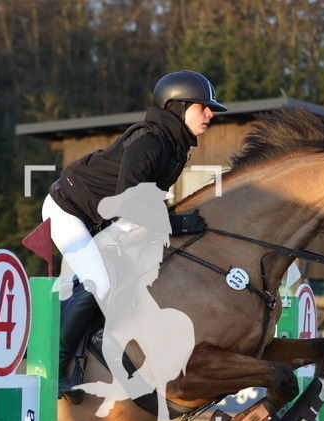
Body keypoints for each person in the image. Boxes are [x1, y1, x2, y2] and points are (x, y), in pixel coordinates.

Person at [43, 70, 226, 399]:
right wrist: (177, 224)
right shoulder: (150, 141)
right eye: (203, 107)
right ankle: (54, 368)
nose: (210, 113)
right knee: (99, 281)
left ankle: (101, 339)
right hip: (69, 211)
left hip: (102, 217)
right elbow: (129, 205)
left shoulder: (175, 147)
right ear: (177, 106)